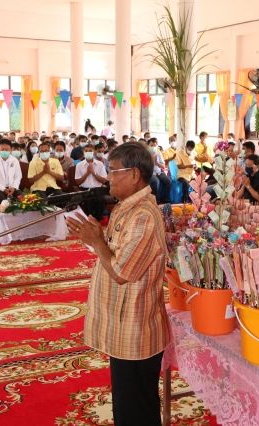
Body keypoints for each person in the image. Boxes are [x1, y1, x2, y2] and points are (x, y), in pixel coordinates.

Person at [66, 143, 170, 426]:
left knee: (136, 411)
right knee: (129, 407)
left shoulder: (143, 216)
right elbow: (114, 251)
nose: (108, 177)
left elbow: (122, 272)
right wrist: (95, 240)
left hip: (136, 328)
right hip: (123, 327)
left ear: (134, 174)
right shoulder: (127, 207)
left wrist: (98, 241)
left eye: (113, 172)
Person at [74, 144, 108, 220]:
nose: (88, 152)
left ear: (94, 152)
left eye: (90, 151)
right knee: (88, 202)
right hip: (84, 190)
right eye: (86, 151)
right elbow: (78, 182)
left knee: (100, 200)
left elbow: (104, 180)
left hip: (98, 190)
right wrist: (87, 173)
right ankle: (88, 221)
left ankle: (98, 221)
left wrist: (93, 173)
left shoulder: (100, 164)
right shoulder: (79, 165)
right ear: (83, 152)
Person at [0, 139, 22, 204]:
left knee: (23, 199)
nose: (4, 151)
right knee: (5, 203)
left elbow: (18, 176)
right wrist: (3, 189)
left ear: (11, 150)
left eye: (7, 150)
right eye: (2, 149)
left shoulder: (14, 160)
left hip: (12, 188)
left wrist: (14, 187)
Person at [148, 138, 170, 204]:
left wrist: (157, 163)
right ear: (148, 145)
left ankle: (165, 199)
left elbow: (163, 166)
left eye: (154, 146)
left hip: (158, 172)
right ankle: (156, 201)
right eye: (151, 146)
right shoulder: (145, 154)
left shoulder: (158, 153)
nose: (153, 147)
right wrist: (151, 160)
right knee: (156, 181)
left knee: (167, 181)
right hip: (150, 172)